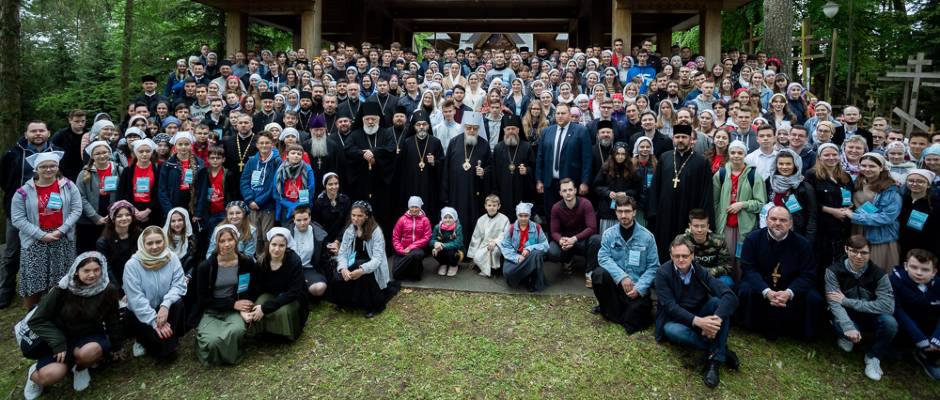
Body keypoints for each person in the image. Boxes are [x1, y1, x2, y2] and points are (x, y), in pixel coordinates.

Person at [23, 252, 123, 399]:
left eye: (96, 270)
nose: (92, 275)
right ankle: (33, 376)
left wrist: (116, 346)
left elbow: (112, 319)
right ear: (76, 271)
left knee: (91, 351)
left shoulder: (107, 290)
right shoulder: (61, 290)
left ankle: (80, 368)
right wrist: (58, 342)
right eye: (86, 271)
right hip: (58, 339)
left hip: (89, 335)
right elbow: (37, 320)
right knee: (50, 375)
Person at [655, 236, 740, 388]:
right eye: (676, 256)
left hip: (701, 313)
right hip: (677, 319)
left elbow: (730, 296)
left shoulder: (700, 271)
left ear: (692, 255)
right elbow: (670, 307)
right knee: (671, 330)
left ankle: (714, 362)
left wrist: (717, 319)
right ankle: (721, 352)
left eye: (685, 256)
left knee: (718, 304)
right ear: (670, 255)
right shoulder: (663, 273)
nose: (681, 259)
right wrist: (699, 322)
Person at [737, 206, 823, 339]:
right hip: (762, 284)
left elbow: (808, 274)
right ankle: (749, 326)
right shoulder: (752, 239)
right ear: (766, 220)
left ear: (790, 223)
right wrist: (767, 291)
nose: (777, 223)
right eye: (773, 219)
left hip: (790, 286)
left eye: (783, 220)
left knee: (813, 298)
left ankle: (801, 334)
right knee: (745, 289)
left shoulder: (803, 244)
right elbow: (749, 269)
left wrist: (789, 293)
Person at [1, 121, 60, 308]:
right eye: (33, 131)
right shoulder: (13, 154)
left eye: (41, 130)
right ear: (26, 134)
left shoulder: (57, 152)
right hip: (18, 212)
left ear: (48, 133)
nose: (38, 134)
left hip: (48, 211)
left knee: (47, 250)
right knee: (11, 253)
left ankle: (46, 290)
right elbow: (4, 179)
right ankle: (5, 290)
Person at [12, 151, 82, 308]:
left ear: (58, 167)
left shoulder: (69, 186)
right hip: (35, 241)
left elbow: (76, 209)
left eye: (52, 166)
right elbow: (18, 218)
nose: (48, 170)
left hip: (62, 238)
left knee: (61, 280)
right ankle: (32, 317)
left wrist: (61, 230)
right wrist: (40, 234)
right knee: (34, 280)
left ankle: (58, 312)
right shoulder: (23, 192)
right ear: (36, 169)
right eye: (43, 167)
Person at [824, 235, 896, 381]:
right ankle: (847, 337)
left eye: (864, 253)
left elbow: (888, 306)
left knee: (890, 323)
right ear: (846, 249)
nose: (859, 256)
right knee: (837, 318)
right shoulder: (833, 271)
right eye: (854, 251)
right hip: (847, 314)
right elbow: (834, 303)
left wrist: (846, 301)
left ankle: (873, 356)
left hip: (871, 314)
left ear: (870, 253)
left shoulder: (879, 274)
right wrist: (848, 326)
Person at [189, 224, 257, 365]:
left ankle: (227, 352)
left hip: (234, 310)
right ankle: (211, 347)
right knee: (213, 341)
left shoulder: (246, 263)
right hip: (210, 309)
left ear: (236, 241)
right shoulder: (206, 267)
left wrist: (245, 309)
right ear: (217, 243)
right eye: (222, 241)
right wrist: (232, 304)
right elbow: (203, 299)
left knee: (236, 332)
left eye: (230, 240)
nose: (227, 244)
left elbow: (251, 288)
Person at [592, 196, 659, 334]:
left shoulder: (647, 237)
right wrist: (622, 277)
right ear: (615, 212)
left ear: (634, 212)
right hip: (616, 286)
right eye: (620, 211)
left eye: (627, 211)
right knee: (598, 274)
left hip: (636, 288)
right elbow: (603, 257)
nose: (623, 215)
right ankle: (614, 310)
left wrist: (640, 288)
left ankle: (613, 311)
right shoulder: (609, 234)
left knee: (633, 321)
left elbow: (654, 267)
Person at [123, 226, 188, 360]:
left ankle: (169, 337)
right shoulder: (132, 265)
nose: (154, 247)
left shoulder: (172, 258)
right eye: (150, 243)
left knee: (178, 302)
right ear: (142, 244)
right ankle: (141, 339)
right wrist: (154, 321)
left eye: (158, 242)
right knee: (164, 354)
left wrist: (165, 305)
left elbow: (179, 284)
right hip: (142, 312)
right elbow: (136, 299)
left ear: (164, 241)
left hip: (164, 309)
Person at [649, 124, 713, 258]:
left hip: (688, 213)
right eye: (677, 137)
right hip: (665, 213)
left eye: (684, 137)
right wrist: (654, 212)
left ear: (691, 139)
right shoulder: (664, 157)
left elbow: (706, 192)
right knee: (664, 248)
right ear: (673, 139)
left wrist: (702, 218)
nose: (680, 140)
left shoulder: (702, 162)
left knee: (686, 248)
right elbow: (655, 186)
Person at [325, 201, 398, 318]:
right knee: (340, 273)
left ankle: (374, 305)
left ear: (367, 216)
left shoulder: (376, 232)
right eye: (353, 215)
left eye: (359, 216)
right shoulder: (350, 230)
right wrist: (343, 268)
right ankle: (348, 300)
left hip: (371, 266)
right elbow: (342, 253)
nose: (355, 219)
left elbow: (377, 259)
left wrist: (363, 270)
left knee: (364, 272)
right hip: (353, 262)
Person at [836, 153, 901, 271]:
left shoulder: (890, 189)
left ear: (881, 168)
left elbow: (887, 217)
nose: (867, 169)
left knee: (875, 270)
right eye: (863, 165)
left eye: (872, 166)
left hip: (878, 236)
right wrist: (850, 206)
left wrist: (854, 216)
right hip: (857, 231)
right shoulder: (856, 182)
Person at [245, 228, 309, 341]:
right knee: (257, 305)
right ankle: (261, 333)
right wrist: (248, 305)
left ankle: (283, 336)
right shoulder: (261, 262)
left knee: (282, 311)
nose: (276, 249)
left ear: (286, 246)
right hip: (270, 293)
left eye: (281, 246)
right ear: (268, 245)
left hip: (291, 297)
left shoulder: (294, 261)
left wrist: (265, 308)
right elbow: (255, 287)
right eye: (274, 244)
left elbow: (294, 292)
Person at [535, 103, 592, 225]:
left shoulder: (581, 131)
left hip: (571, 182)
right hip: (550, 182)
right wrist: (539, 180)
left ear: (570, 115)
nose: (560, 116)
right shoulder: (547, 131)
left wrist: (585, 182)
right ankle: (552, 241)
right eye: (558, 113)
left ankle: (570, 242)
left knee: (570, 216)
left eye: (563, 113)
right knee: (551, 214)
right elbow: (540, 157)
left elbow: (587, 159)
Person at [713, 140, 766, 267]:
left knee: (743, 259)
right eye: (733, 152)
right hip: (725, 225)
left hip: (746, 226)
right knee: (726, 258)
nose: (736, 155)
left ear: (745, 155)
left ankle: (742, 285)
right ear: (729, 154)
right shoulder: (721, 174)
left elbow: (760, 203)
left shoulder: (754, 175)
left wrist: (742, 204)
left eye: (740, 152)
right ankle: (727, 285)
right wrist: (717, 221)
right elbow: (714, 202)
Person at [441, 111, 491, 247]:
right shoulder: (454, 142)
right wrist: (445, 192)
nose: (471, 130)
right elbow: (446, 169)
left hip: (475, 192)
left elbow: (490, 167)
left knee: (474, 220)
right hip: (456, 192)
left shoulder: (484, 145)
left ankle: (472, 250)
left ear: (479, 128)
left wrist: (484, 172)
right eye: (468, 127)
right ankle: (456, 248)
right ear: (464, 126)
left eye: (475, 128)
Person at [889, 249, 940, 380]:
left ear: (934, 272)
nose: (919, 273)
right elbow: (897, 309)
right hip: (905, 326)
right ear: (906, 266)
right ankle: (895, 347)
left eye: (925, 269)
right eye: (914, 267)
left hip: (928, 326)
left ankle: (928, 357)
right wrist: (919, 338)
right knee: (890, 319)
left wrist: (937, 338)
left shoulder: (938, 284)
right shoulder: (894, 280)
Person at [806, 143, 856, 270]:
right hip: (823, 227)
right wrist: (832, 211)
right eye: (826, 155)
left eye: (834, 154)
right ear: (819, 157)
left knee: (841, 260)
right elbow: (808, 202)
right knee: (823, 261)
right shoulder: (811, 175)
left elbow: (852, 196)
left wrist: (849, 207)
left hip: (843, 226)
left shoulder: (845, 176)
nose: (831, 157)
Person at [549, 178, 601, 285]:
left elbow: (592, 228)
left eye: (570, 189)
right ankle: (567, 261)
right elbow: (554, 232)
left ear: (575, 190)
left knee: (597, 240)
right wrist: (560, 240)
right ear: (560, 193)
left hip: (582, 241)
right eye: (564, 191)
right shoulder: (556, 208)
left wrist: (574, 239)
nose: (568, 193)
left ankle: (589, 272)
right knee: (552, 251)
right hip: (566, 241)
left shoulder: (586, 204)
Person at [76, 140, 122, 253]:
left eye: (104, 152)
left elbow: (123, 195)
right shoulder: (84, 173)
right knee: (89, 252)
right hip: (88, 222)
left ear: (110, 153)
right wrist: (95, 217)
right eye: (97, 153)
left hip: (112, 220)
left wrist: (113, 215)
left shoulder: (119, 170)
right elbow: (80, 197)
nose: (102, 156)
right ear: (92, 156)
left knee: (110, 252)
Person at [239, 131, 280, 253]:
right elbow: (244, 181)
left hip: (267, 206)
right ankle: (254, 261)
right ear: (257, 145)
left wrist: (259, 201)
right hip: (252, 206)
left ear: (272, 144)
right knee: (254, 236)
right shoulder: (252, 161)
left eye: (267, 143)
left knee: (266, 236)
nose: (264, 145)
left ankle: (265, 261)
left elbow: (274, 185)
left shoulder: (277, 162)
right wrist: (250, 199)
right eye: (261, 143)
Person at [399, 110, 444, 220]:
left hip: (430, 186)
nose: (421, 127)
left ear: (428, 126)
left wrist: (434, 162)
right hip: (411, 184)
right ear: (414, 127)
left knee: (429, 212)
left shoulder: (436, 142)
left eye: (424, 124)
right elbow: (402, 167)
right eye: (418, 124)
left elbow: (442, 163)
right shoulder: (407, 142)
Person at [764, 149, 817, 243]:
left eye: (788, 164)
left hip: (796, 235)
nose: (784, 167)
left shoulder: (804, 187)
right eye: (781, 164)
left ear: (795, 165)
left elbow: (812, 217)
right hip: (772, 232)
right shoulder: (770, 182)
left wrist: (808, 241)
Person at [491, 115, 536, 217]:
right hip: (503, 191)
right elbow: (494, 172)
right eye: (508, 129)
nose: (511, 131)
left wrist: (527, 171)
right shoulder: (498, 148)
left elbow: (534, 167)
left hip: (522, 191)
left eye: (513, 129)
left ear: (518, 130)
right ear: (504, 130)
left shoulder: (526, 147)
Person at [676, 209, 735, 287]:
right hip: (690, 276)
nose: (699, 230)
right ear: (690, 226)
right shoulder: (682, 240)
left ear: (708, 226)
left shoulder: (718, 240)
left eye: (703, 226)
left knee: (727, 282)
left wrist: (706, 272)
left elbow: (727, 267)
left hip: (714, 276)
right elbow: (676, 264)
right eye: (696, 226)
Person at [499, 202, 550, 292]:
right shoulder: (510, 228)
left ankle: (532, 280)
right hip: (516, 255)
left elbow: (545, 245)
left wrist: (529, 249)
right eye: (520, 215)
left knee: (536, 254)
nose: (523, 218)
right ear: (517, 215)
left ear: (529, 215)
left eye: (526, 216)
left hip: (530, 256)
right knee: (507, 272)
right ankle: (524, 277)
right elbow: (505, 247)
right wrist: (517, 257)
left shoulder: (537, 227)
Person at [593, 142, 642, 233]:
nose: (620, 156)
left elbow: (638, 190)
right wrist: (608, 193)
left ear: (627, 155)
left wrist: (626, 194)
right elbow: (596, 186)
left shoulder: (632, 170)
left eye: (623, 154)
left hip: (625, 211)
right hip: (607, 211)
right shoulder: (605, 168)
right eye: (618, 154)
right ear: (613, 154)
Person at [96, 201, 141, 290]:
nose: (124, 218)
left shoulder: (139, 234)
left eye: (128, 215)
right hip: (114, 282)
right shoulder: (103, 242)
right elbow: (106, 268)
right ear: (113, 219)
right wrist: (118, 289)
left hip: (136, 279)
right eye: (119, 216)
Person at [158, 131, 204, 220]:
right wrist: (169, 211)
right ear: (175, 146)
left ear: (191, 145)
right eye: (180, 144)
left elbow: (202, 190)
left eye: (186, 144)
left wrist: (198, 212)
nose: (183, 147)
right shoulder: (168, 164)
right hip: (173, 203)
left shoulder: (199, 164)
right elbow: (162, 190)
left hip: (192, 205)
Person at [287, 206, 330, 298]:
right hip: (290, 269)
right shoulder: (286, 233)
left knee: (319, 288)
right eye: (298, 220)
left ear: (310, 218)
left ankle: (301, 290)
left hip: (309, 269)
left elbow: (323, 258)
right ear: (293, 220)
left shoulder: (318, 233)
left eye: (305, 219)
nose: (302, 223)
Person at [118, 138, 161, 225]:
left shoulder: (158, 169)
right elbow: (122, 192)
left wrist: (148, 210)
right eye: (141, 151)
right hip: (132, 210)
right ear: (135, 153)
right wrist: (134, 210)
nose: (144, 154)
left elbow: (159, 191)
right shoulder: (127, 171)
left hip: (152, 210)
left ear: (152, 152)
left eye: (147, 151)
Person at [899, 169, 939, 260]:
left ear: (928, 185)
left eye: (920, 181)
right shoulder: (903, 199)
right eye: (911, 181)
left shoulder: (935, 204)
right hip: (903, 246)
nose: (914, 184)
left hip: (926, 248)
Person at [468, 195, 511, 278]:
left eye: (494, 206)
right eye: (489, 205)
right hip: (485, 244)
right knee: (478, 256)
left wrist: (495, 242)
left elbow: (506, 234)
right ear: (485, 206)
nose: (491, 208)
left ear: (499, 206)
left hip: (499, 244)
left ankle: (495, 270)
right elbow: (476, 237)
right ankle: (484, 268)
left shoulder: (504, 219)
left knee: (495, 252)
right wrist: (472, 255)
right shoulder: (481, 219)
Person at [391, 196, 432, 281]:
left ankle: (415, 273)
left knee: (417, 254)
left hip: (416, 249)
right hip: (402, 248)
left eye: (416, 207)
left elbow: (427, 237)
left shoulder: (425, 220)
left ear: (420, 208)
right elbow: (395, 238)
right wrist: (401, 250)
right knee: (395, 274)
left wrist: (411, 247)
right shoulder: (402, 220)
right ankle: (411, 268)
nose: (414, 209)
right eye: (412, 207)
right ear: (409, 207)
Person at [273, 144, 316, 224]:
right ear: (287, 155)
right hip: (285, 207)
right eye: (293, 153)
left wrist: (296, 205)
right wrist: (289, 205)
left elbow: (311, 189)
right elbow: (276, 191)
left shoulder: (307, 169)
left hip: (302, 207)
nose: (296, 156)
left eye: (299, 154)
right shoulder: (280, 169)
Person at [313, 172, 351, 247]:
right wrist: (326, 243)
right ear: (325, 186)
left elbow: (347, 223)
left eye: (336, 183)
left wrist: (337, 241)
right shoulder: (319, 203)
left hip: (343, 239)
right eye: (330, 184)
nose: (334, 187)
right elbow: (316, 225)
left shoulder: (345, 200)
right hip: (324, 240)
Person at [431, 207, 465, 277]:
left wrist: (442, 245)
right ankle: (443, 264)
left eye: (450, 217)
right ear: (442, 218)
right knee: (434, 251)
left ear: (454, 218)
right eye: (445, 217)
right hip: (442, 249)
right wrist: (435, 243)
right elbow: (431, 240)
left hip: (456, 250)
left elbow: (457, 243)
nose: (448, 220)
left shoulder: (458, 227)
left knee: (451, 252)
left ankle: (454, 265)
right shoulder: (437, 227)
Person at [163, 207, 198, 274]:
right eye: (173, 221)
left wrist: (188, 276)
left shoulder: (192, 239)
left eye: (180, 220)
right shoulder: (162, 238)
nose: (177, 224)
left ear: (186, 221)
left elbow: (194, 263)